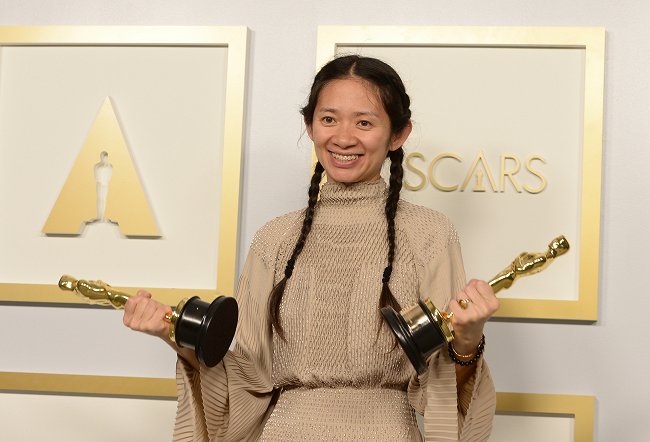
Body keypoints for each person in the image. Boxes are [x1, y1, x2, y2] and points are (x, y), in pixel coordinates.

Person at [122, 55, 499, 441]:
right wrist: (175, 335)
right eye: (329, 119)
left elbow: (442, 388)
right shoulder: (274, 238)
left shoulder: (430, 233)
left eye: (364, 122)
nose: (343, 137)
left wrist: (468, 342)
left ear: (398, 135)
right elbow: (247, 382)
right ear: (310, 125)